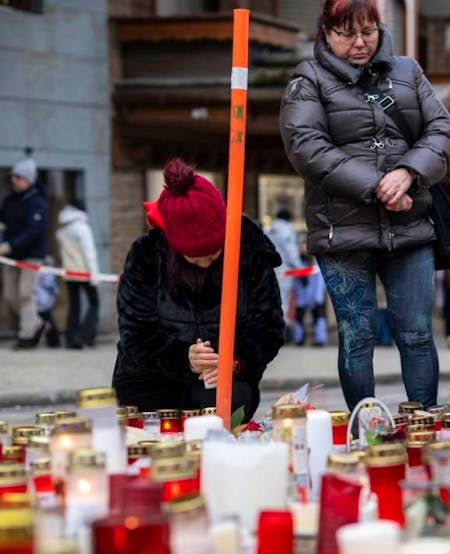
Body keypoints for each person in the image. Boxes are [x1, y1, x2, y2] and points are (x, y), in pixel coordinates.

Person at [279, 0, 450, 409]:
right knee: (357, 336)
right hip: (341, 231)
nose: (359, 43)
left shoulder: (407, 71)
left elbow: (443, 131)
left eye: (368, 32)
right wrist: (378, 184)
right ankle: (365, 428)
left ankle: (423, 425)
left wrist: (409, 172)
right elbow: (306, 146)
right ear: (326, 32)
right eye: (347, 34)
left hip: (410, 225)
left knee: (416, 332)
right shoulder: (308, 79)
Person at [113, 158, 285, 420]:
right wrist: (184, 357)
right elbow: (135, 335)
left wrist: (233, 362)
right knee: (151, 426)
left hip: (223, 381)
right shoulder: (146, 256)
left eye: (213, 253)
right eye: (194, 257)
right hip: (148, 379)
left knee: (225, 409)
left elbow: (269, 329)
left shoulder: (250, 254)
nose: (206, 263)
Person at [0, 154, 48, 349]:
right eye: (13, 176)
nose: (13, 180)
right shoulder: (9, 200)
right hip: (10, 257)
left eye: (18, 177)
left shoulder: (38, 203)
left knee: (25, 294)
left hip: (31, 255)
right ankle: (38, 323)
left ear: (28, 179)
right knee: (10, 296)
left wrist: (9, 246)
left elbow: (34, 232)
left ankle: (26, 336)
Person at [56, 200, 100, 348]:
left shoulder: (62, 230)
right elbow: (89, 253)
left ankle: (71, 338)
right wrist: (94, 275)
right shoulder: (82, 228)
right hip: (84, 272)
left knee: (75, 305)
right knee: (94, 302)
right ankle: (86, 335)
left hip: (69, 272)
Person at [266, 209, 303, 323]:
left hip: (269, 270)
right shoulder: (287, 230)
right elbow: (291, 251)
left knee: (270, 299)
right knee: (283, 300)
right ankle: (281, 327)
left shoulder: (269, 229)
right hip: (284, 271)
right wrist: (300, 269)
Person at [292, 251, 329, 347]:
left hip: (316, 297)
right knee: (299, 318)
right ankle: (299, 339)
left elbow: (320, 283)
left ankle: (320, 339)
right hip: (302, 297)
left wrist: (317, 297)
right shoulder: (300, 265)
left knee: (319, 317)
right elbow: (296, 283)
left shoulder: (318, 266)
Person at [34, 257, 61, 348]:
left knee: (42, 321)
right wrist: (56, 291)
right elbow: (50, 283)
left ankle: (52, 341)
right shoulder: (46, 267)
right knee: (45, 321)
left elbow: (49, 283)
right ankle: (53, 341)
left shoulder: (44, 267)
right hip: (43, 298)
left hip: (41, 298)